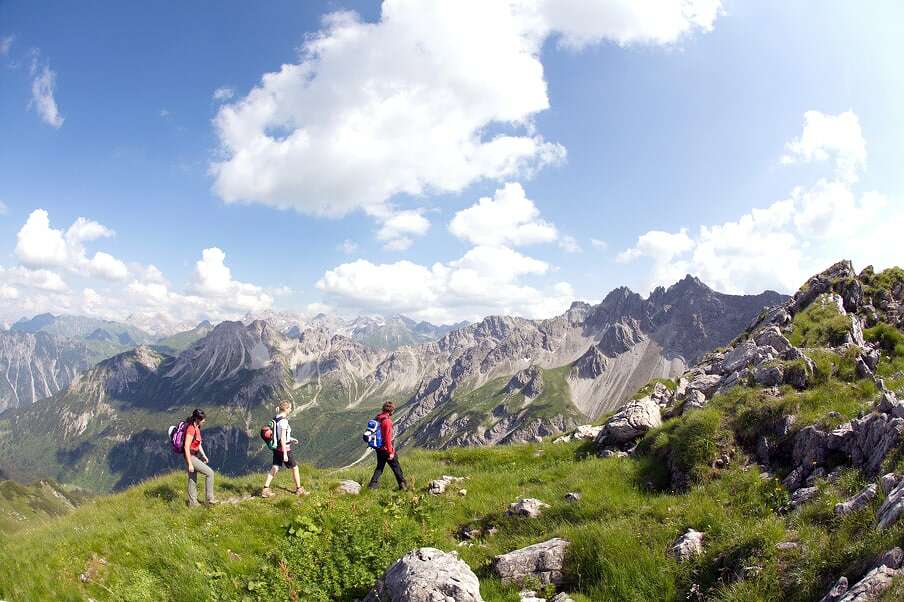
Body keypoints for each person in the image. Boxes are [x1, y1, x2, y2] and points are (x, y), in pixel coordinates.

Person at [262, 400, 306, 497]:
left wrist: (291, 439)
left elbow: (279, 435)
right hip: (284, 449)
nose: (291, 409)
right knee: (295, 468)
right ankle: (299, 489)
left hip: (276, 448)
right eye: (290, 408)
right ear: (286, 409)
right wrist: (285, 454)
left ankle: (265, 489)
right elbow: (282, 437)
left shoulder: (276, 418)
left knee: (275, 467)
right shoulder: (284, 421)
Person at [367, 401, 407, 490]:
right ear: (391, 411)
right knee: (396, 467)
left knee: (380, 467)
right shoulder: (387, 421)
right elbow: (388, 439)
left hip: (378, 447)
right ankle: (404, 486)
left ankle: (372, 486)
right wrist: (391, 452)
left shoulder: (378, 417)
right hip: (385, 449)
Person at [183, 408, 217, 507]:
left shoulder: (197, 428)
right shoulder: (191, 429)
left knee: (192, 479)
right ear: (197, 419)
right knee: (210, 473)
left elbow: (198, 444)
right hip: (190, 456)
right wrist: (189, 463)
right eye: (203, 419)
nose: (204, 421)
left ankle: (192, 503)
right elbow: (186, 446)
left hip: (195, 455)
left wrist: (204, 455)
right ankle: (209, 499)